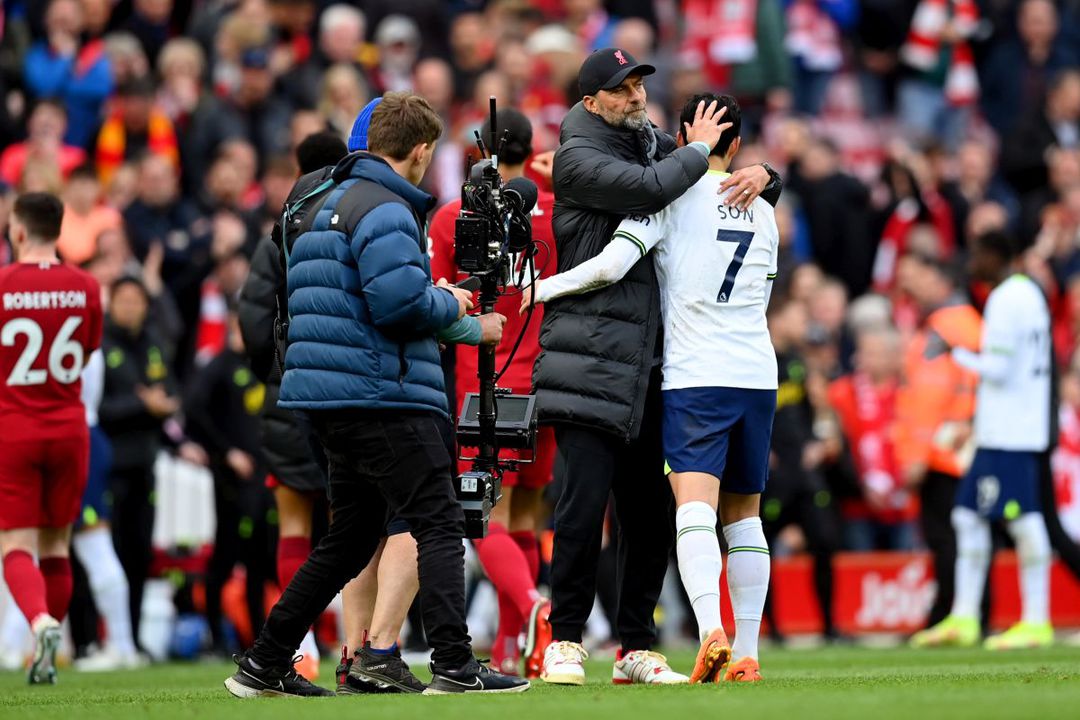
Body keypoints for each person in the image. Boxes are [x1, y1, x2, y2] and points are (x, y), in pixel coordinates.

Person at [224, 92, 525, 697]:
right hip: (384, 392)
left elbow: (350, 299)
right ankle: (455, 664)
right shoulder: (386, 206)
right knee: (439, 519)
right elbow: (397, 305)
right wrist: (455, 306)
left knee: (351, 537)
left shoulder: (316, 198)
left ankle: (265, 661)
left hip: (326, 393)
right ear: (421, 151)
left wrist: (448, 312)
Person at [531, 46, 780, 687]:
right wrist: (537, 292)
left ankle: (637, 646)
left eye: (640, 84)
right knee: (582, 508)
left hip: (656, 366)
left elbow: (699, 176)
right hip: (593, 360)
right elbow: (654, 188)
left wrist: (765, 173)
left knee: (648, 515)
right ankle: (565, 641)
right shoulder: (578, 157)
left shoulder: (654, 146)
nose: (637, 95)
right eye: (622, 88)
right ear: (591, 102)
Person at [429, 108, 556, 678]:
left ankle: (532, 607)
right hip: (547, 379)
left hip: (484, 382)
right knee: (526, 514)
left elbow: (438, 298)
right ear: (530, 151)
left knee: (483, 515)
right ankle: (513, 648)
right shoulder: (557, 210)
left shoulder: (454, 216)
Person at [913, 231, 1055, 650]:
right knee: (967, 515)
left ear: (996, 256)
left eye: (977, 255)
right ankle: (964, 617)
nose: (972, 263)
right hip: (1005, 428)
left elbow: (999, 370)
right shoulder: (1029, 293)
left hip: (1010, 432)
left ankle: (1037, 621)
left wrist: (953, 351)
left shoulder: (1005, 299)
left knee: (1024, 520)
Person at [0, 192, 103, 684]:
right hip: (68, 427)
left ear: (18, 230)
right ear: (59, 230)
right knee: (57, 545)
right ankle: (46, 654)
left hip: (14, 428)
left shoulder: (2, 285)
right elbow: (87, 351)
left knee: (14, 544)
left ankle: (39, 621)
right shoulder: (86, 286)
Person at [894, 252, 982, 629]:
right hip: (953, 446)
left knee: (947, 537)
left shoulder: (947, 325)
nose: (914, 285)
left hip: (944, 450)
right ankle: (966, 611)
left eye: (923, 277)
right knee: (962, 536)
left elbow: (930, 395)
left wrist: (916, 453)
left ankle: (950, 613)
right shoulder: (963, 322)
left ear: (943, 282)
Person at [99, 275, 179, 649]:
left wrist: (166, 404)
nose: (130, 307)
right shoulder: (99, 347)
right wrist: (141, 404)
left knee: (139, 554)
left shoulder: (154, 344)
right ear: (112, 303)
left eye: (137, 300)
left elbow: (171, 391)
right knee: (106, 553)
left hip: (145, 465)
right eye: (124, 300)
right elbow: (97, 408)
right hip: (109, 466)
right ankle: (93, 639)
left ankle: (130, 639)